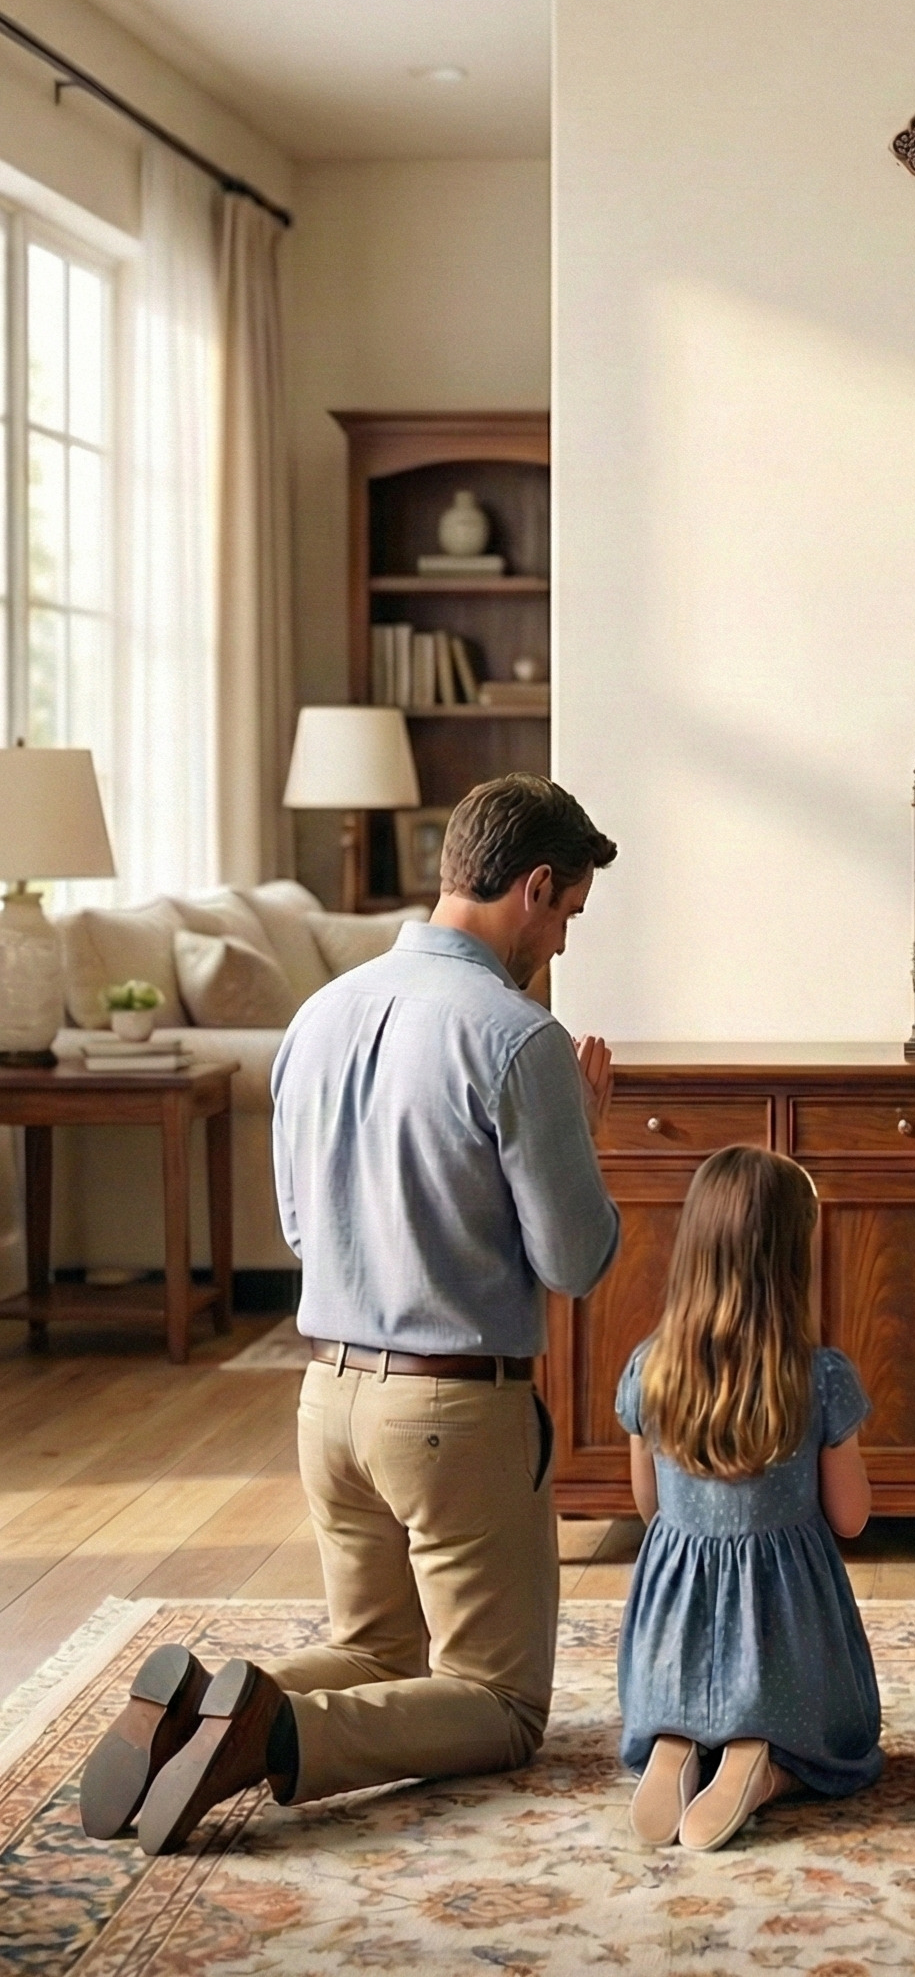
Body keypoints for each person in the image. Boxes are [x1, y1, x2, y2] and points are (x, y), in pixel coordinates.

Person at [80, 774, 622, 1857]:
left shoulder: (317, 1016)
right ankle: (268, 1730)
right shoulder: (519, 1039)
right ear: (536, 884)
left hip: (325, 1398)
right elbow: (574, 1259)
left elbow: (296, 1223)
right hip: (456, 1415)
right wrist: (586, 1131)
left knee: (376, 1650)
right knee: (499, 1701)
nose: (558, 943)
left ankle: (196, 1710)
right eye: (564, 915)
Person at [613, 1145, 883, 1850]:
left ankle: (676, 1741)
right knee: (836, 1741)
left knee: (680, 1708)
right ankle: (760, 1766)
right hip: (784, 1641)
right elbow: (851, 1517)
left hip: (670, 1644)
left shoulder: (650, 1368)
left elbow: (649, 1509)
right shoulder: (819, 1377)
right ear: (796, 1258)